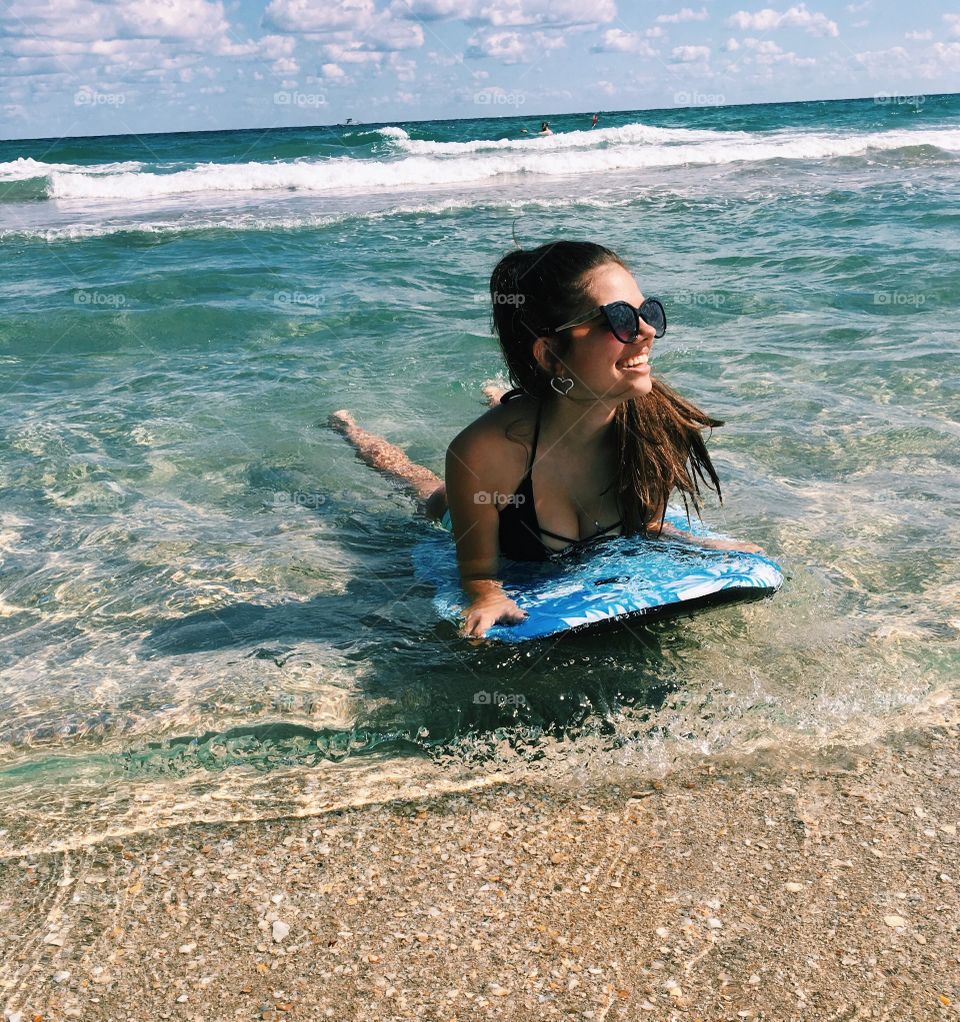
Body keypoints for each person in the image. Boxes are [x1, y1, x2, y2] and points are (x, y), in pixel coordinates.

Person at [329, 240, 764, 638]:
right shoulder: (482, 452)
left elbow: (643, 524)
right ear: (551, 353)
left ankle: (504, 397)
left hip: (549, 417)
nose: (647, 331)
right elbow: (480, 571)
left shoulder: (653, 423)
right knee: (417, 482)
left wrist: (696, 545)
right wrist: (486, 594)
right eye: (620, 319)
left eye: (646, 312)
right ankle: (350, 429)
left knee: (522, 418)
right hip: (479, 505)